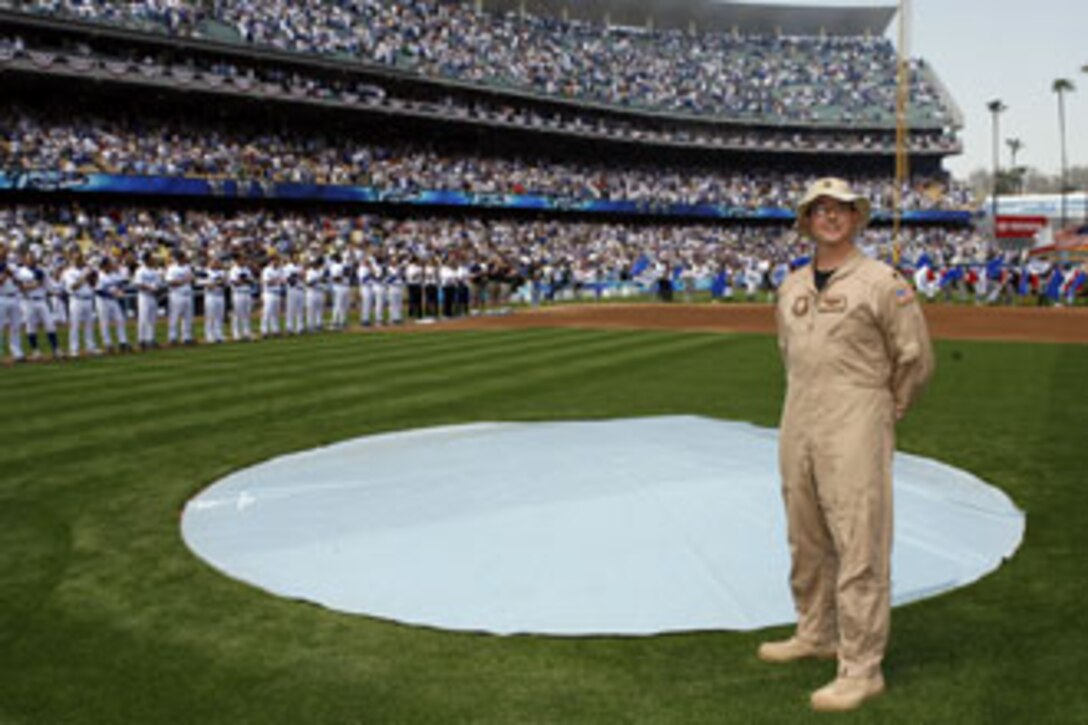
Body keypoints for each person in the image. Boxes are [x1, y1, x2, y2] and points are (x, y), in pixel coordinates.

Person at [760, 178, 935, 712]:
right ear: (807, 220)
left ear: (856, 219)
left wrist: (885, 409)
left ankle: (861, 668)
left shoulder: (883, 282)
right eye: (821, 210)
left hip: (856, 415)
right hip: (799, 414)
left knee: (859, 539)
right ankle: (816, 632)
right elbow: (787, 351)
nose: (831, 217)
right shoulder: (790, 285)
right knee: (805, 533)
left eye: (841, 209)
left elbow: (916, 359)